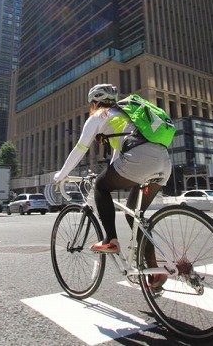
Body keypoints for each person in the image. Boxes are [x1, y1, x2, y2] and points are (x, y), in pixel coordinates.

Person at [53, 84, 172, 288]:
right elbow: (118, 157)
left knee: (100, 186)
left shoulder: (99, 116)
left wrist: (61, 175)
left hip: (139, 160)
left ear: (94, 103)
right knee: (134, 215)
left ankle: (111, 240)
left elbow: (80, 148)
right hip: (163, 162)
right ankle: (155, 271)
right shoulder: (129, 115)